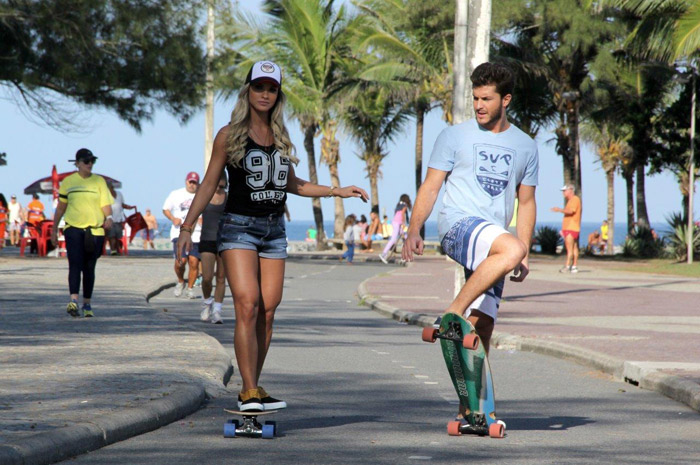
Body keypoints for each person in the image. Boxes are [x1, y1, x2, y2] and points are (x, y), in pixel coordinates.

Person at [176, 60, 368, 412]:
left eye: (272, 88)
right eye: (259, 86)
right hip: (238, 228)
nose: (265, 94)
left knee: (268, 310)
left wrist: (335, 191)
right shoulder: (228, 135)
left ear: (278, 95)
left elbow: (293, 184)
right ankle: (248, 390)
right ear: (247, 90)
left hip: (274, 231)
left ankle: (254, 386)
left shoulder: (280, 137)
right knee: (247, 304)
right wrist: (188, 227)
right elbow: (207, 184)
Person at [402, 62, 538, 360]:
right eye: (475, 98)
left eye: (486, 99)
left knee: (483, 325)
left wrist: (524, 252)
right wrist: (414, 229)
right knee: (510, 249)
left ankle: (473, 403)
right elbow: (431, 186)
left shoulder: (525, 146)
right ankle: (452, 312)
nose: (478, 105)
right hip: (457, 225)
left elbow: (526, 202)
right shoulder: (454, 136)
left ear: (506, 100)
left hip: (495, 240)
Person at [50, 148, 114, 317]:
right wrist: (54, 229)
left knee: (89, 267)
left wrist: (109, 217)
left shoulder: (99, 182)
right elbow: (60, 208)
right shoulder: (68, 182)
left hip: (95, 230)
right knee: (75, 264)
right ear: (77, 163)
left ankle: (87, 304)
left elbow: (105, 204)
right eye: (86, 161)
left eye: (92, 161)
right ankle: (73, 301)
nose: (90, 164)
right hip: (73, 228)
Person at [163, 172, 203, 299]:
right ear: (186, 181)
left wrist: (204, 219)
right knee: (181, 261)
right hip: (179, 232)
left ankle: (190, 288)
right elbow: (165, 209)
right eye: (190, 182)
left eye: (194, 182)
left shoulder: (202, 195)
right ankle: (180, 281)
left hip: (197, 234)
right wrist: (173, 218)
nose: (192, 185)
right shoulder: (176, 194)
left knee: (194, 262)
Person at [199, 173, 228, 324]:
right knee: (207, 278)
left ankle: (217, 311)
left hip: (224, 241)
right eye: (217, 185)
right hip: (206, 240)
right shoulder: (204, 196)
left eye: (222, 186)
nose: (219, 188)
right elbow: (194, 213)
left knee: (221, 278)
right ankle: (206, 302)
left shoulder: (229, 198)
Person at [551, 184, 581, 273]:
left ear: (571, 190)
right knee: (574, 247)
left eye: (565, 191)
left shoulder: (575, 199)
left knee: (570, 248)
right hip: (573, 227)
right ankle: (574, 266)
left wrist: (559, 210)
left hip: (571, 228)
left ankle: (568, 266)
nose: (563, 193)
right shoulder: (571, 200)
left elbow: (571, 211)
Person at [379, 194, 411, 263]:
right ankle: (384, 254)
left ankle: (405, 256)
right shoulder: (404, 206)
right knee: (393, 239)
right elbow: (403, 214)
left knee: (405, 237)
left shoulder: (398, 205)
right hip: (398, 223)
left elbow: (396, 214)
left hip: (396, 223)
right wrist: (403, 223)